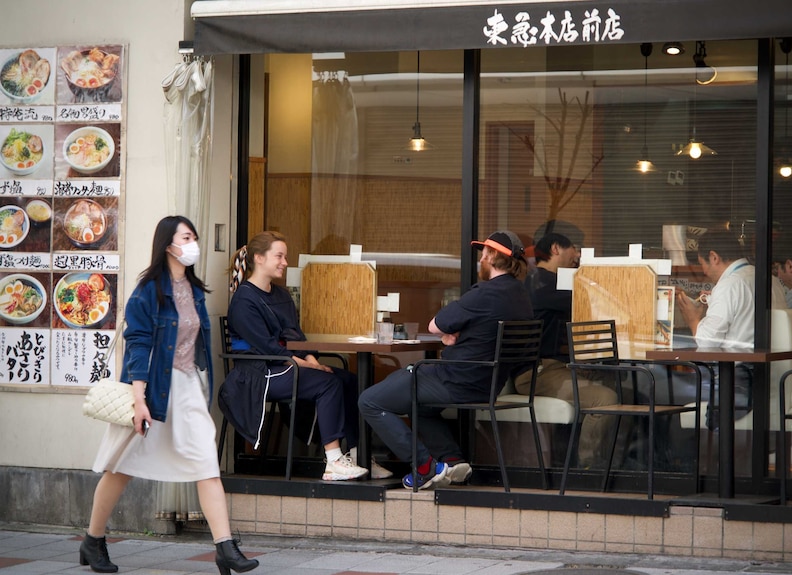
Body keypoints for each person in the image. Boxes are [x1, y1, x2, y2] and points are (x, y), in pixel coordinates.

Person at [80, 216, 258, 575]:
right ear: (168, 245)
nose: (193, 243)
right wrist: (140, 400)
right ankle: (93, 540)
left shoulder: (193, 289)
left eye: (194, 235)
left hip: (188, 388)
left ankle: (225, 548)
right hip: (151, 391)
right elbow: (139, 345)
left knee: (207, 463)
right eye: (186, 237)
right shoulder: (148, 291)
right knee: (121, 467)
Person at [358, 230, 534, 490]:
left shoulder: (485, 294)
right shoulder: (521, 298)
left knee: (370, 400)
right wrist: (458, 336)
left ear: (493, 257)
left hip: (455, 380)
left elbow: (435, 325)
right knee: (421, 406)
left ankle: (424, 465)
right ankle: (451, 459)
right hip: (486, 384)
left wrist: (450, 336)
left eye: (484, 254)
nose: (481, 259)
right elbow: (479, 332)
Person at [225, 231, 390, 481]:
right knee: (328, 384)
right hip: (259, 373)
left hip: (286, 365)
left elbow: (295, 334)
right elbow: (268, 347)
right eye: (278, 256)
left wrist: (311, 360)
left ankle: (359, 454)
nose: (284, 262)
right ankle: (333, 460)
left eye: (285, 256)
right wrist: (304, 364)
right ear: (259, 258)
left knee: (348, 380)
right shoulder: (244, 300)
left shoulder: (280, 295)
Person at [513, 233, 616, 465]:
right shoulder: (541, 282)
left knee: (627, 393)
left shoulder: (548, 281)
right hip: (538, 373)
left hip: (559, 368)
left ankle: (612, 464)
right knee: (606, 399)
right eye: (575, 249)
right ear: (556, 248)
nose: (578, 256)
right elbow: (596, 303)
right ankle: (588, 468)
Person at [672, 228, 787, 415]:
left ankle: (680, 444)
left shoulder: (729, 286)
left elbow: (706, 343)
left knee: (660, 389)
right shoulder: (771, 280)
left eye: (703, 264)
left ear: (714, 257)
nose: (704, 271)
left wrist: (693, 319)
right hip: (774, 379)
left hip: (739, 386)